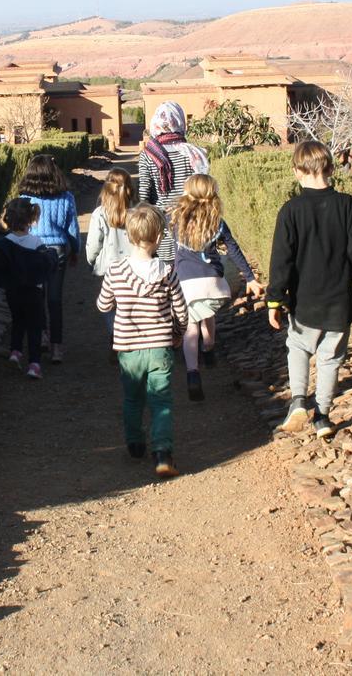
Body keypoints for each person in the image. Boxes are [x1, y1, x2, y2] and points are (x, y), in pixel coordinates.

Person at [266, 141, 352, 439]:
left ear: (297, 172)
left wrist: (274, 299)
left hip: (304, 300)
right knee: (331, 357)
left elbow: (281, 260)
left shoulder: (291, 210)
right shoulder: (349, 205)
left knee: (298, 347)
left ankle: (298, 400)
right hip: (339, 298)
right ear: (332, 169)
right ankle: (322, 416)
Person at [96, 204, 189, 479]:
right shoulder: (167, 272)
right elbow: (182, 311)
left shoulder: (116, 271)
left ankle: (135, 442)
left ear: (128, 236)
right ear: (159, 237)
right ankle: (162, 452)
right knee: (161, 400)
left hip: (128, 347)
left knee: (132, 398)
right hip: (160, 344)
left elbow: (103, 306)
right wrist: (178, 333)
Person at [170, 174, 265, 400]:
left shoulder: (176, 219)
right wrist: (250, 277)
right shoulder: (217, 222)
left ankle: (193, 373)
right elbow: (234, 250)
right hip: (212, 282)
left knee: (190, 327)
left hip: (186, 282)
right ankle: (210, 346)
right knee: (208, 315)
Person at [0, 197, 58, 380]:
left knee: (17, 321)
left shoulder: (4, 243)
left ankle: (15, 352)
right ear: (30, 219)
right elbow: (44, 264)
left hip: (13, 290)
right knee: (35, 326)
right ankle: (34, 364)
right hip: (34, 291)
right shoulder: (36, 241)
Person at [17, 154, 80, 364]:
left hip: (31, 249)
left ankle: (41, 335)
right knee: (55, 300)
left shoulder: (24, 199)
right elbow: (72, 228)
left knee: (37, 296)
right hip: (58, 249)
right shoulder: (66, 197)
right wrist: (76, 250)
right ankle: (57, 348)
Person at [138, 101, 209, 262]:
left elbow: (144, 197)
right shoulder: (193, 153)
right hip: (191, 229)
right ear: (179, 121)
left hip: (160, 233)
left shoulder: (148, 155)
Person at [85, 168, 136, 333]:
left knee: (110, 305)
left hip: (108, 267)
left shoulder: (99, 214)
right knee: (133, 304)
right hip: (134, 266)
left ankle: (115, 337)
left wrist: (92, 261)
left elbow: (93, 244)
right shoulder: (137, 212)